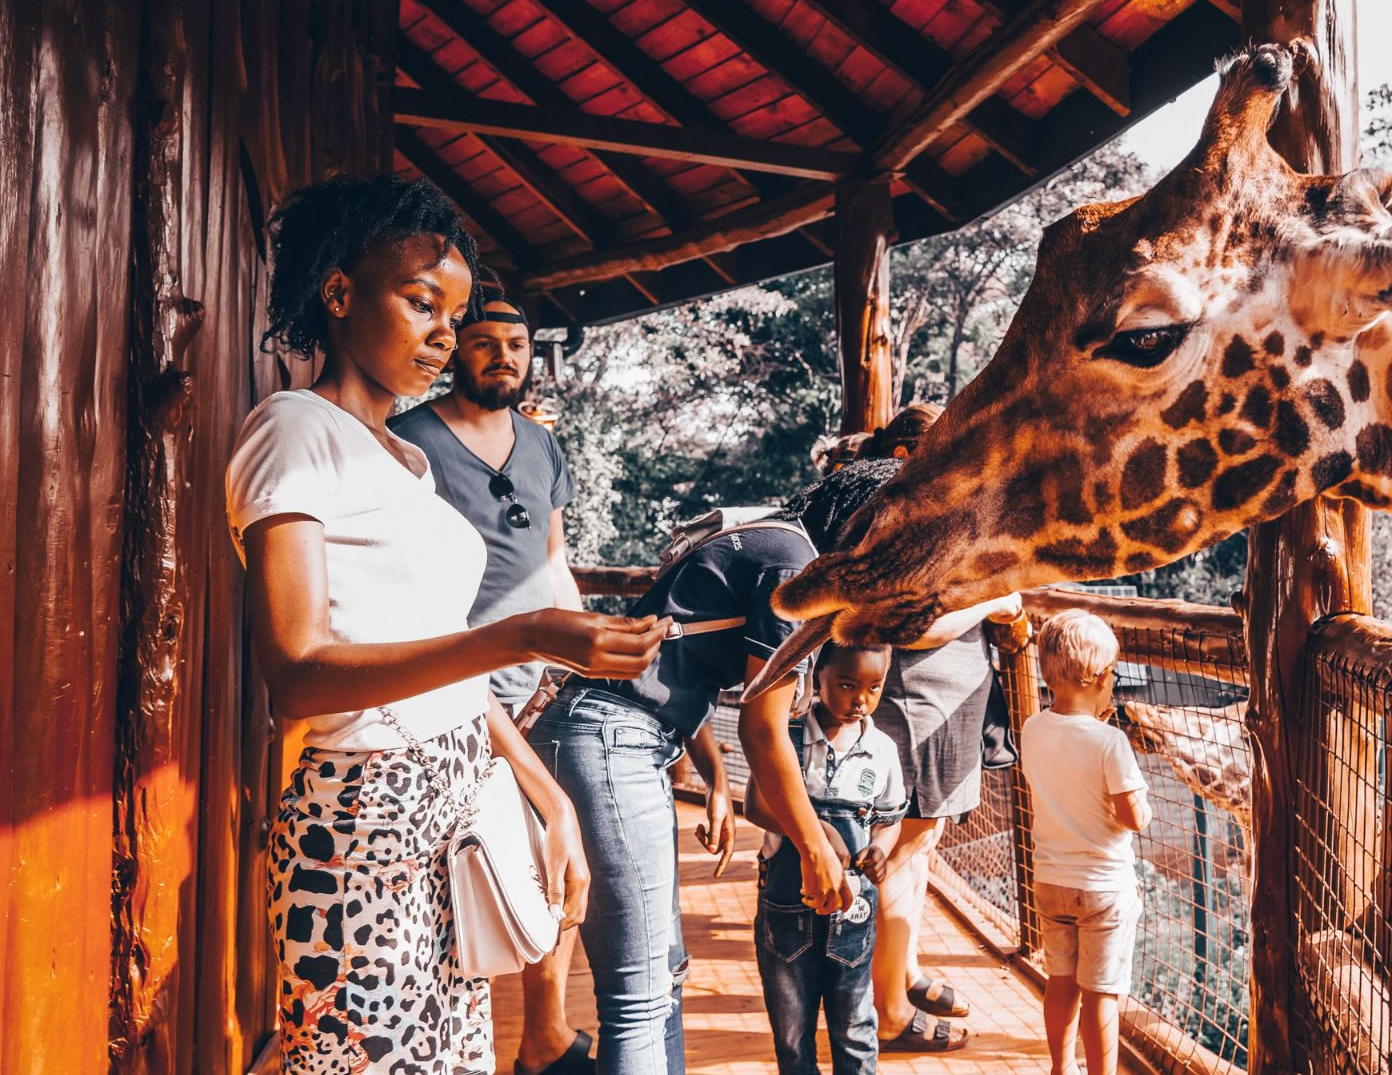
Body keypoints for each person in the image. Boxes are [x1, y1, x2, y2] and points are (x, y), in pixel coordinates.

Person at [227, 173, 670, 1074]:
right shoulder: (291, 430)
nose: (444, 334)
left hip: (458, 798)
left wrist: (546, 796)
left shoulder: (407, 464)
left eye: (453, 313)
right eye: (422, 302)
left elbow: (442, 659)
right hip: (361, 810)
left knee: (453, 1058)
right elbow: (298, 673)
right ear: (339, 293)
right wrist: (524, 634)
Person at [528, 460, 899, 1075]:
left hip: (617, 734)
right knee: (639, 994)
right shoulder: (795, 568)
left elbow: (673, 658)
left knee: (661, 976)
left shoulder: (774, 539)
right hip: (611, 738)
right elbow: (763, 726)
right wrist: (815, 848)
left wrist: (718, 780)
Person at [388, 291, 624, 1075]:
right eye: (485, 342)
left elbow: (553, 562)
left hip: (544, 683)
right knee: (463, 854)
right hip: (452, 679)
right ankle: (464, 1036)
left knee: (549, 850)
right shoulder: (411, 440)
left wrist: (587, 650)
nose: (504, 357)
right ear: (456, 349)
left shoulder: (541, 445)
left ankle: (543, 1032)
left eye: (517, 345)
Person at [855, 410, 1026, 1052]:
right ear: (907, 452)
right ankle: (887, 1011)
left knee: (922, 843)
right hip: (916, 703)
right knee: (901, 846)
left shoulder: (937, 516)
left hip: (950, 703)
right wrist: (997, 602)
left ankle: (899, 972)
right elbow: (912, 626)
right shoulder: (895, 515)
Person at [746, 641, 907, 1075]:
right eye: (847, 685)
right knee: (792, 1030)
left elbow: (890, 819)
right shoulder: (786, 736)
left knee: (855, 1025)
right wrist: (819, 832)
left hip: (852, 915)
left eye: (874, 687)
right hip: (786, 911)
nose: (860, 699)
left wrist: (881, 850)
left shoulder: (883, 750)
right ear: (819, 675)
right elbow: (756, 805)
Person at [1023, 610, 1153, 1075]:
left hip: (1050, 882)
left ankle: (1062, 1068)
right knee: (1102, 993)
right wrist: (1142, 800)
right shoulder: (1110, 742)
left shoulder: (1032, 728)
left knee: (1061, 981)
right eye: (1114, 673)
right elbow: (1132, 818)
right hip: (1102, 889)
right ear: (1100, 678)